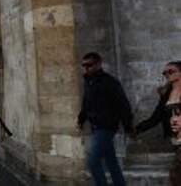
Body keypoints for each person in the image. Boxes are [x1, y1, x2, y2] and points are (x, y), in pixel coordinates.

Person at [77, 52, 134, 186]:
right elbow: (86, 103)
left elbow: (123, 105)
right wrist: (81, 119)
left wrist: (128, 127)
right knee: (111, 161)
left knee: (93, 161)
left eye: (89, 65)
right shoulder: (88, 82)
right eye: (84, 65)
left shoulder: (110, 82)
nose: (86, 68)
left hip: (106, 126)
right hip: (96, 127)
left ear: (98, 64)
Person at [134, 61, 181, 185]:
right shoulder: (166, 95)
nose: (167, 74)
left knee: (175, 176)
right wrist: (137, 129)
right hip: (175, 140)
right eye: (165, 72)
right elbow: (155, 118)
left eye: (171, 71)